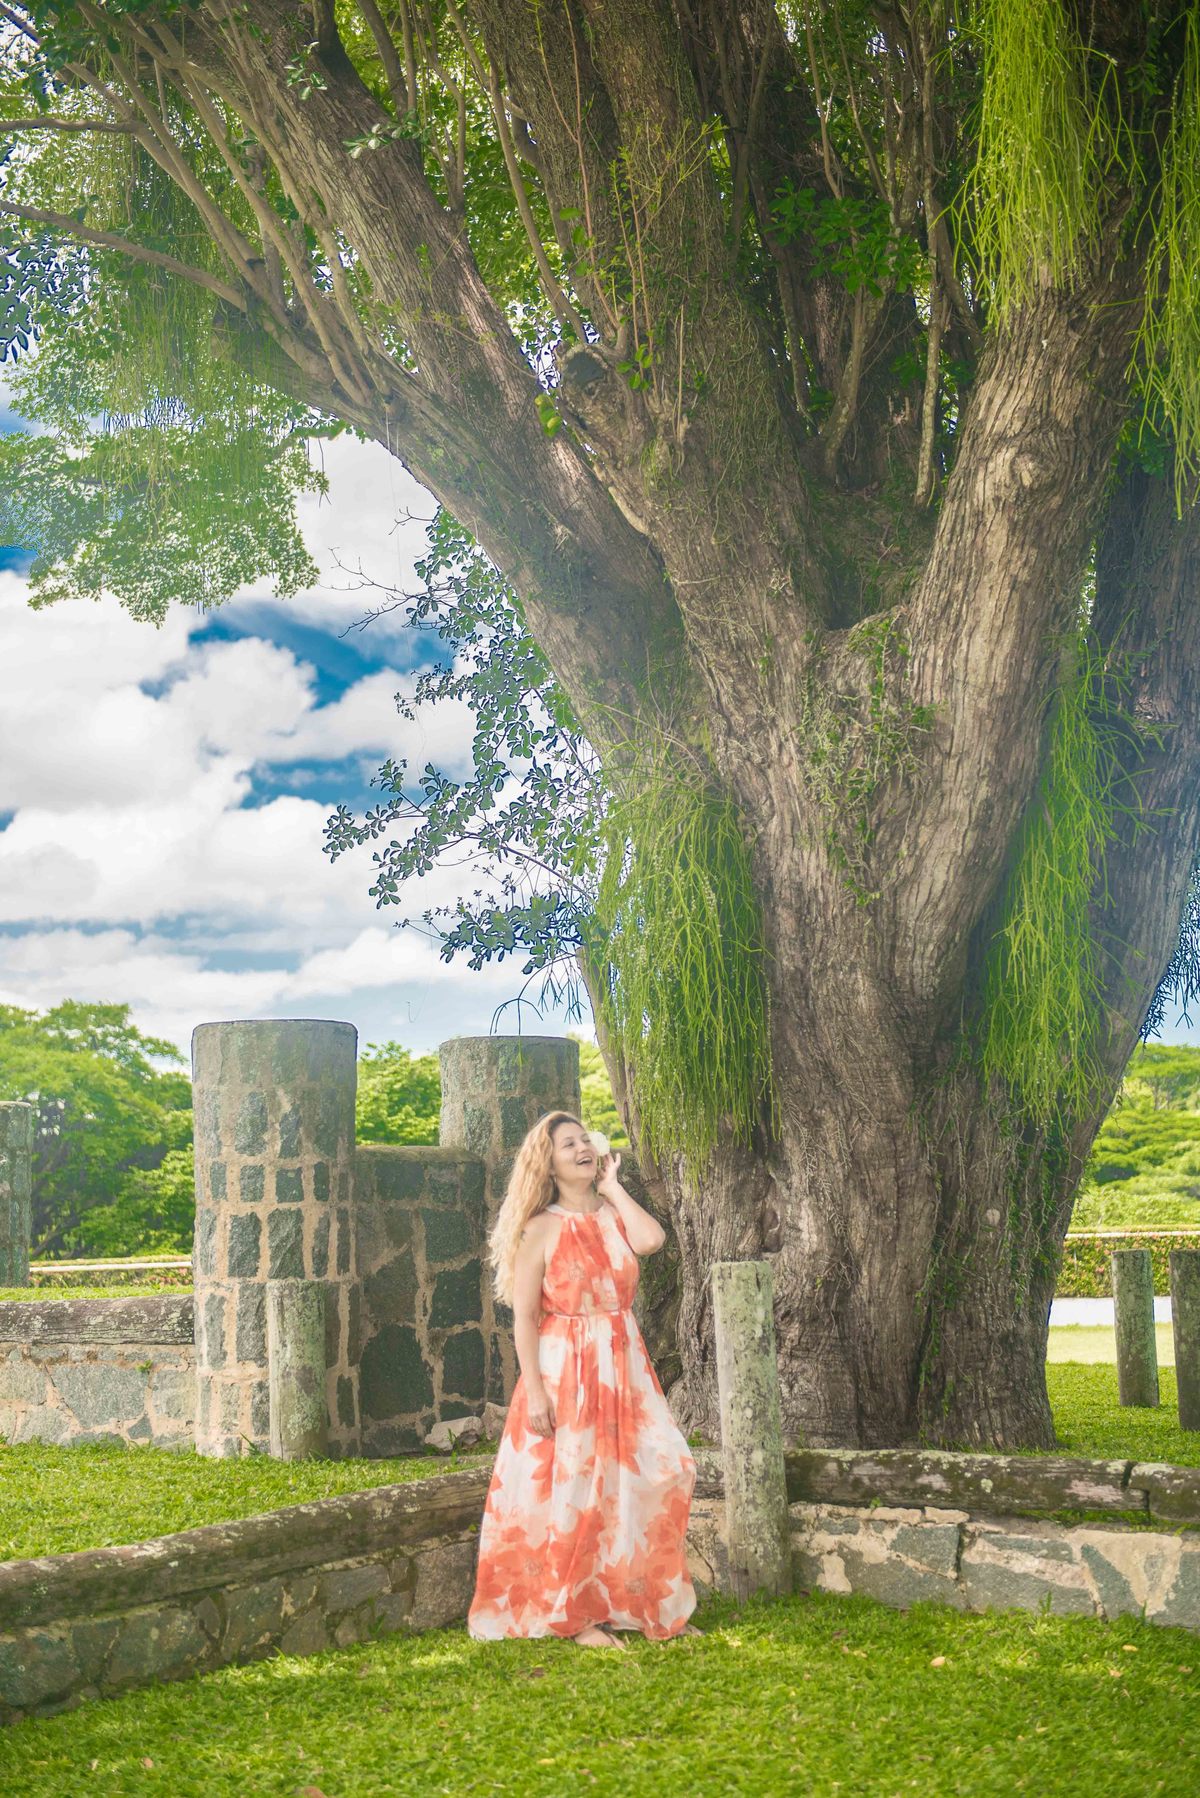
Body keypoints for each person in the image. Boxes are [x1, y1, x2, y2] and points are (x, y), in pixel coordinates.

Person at [467, 1110, 700, 1646]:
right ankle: (575, 1615)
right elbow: (525, 1317)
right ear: (547, 1164)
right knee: (576, 1489)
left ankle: (647, 1601)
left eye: (583, 1140)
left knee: (658, 1471)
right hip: (564, 1368)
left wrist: (613, 1188)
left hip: (624, 1365)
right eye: (567, 1145)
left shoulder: (613, 1214)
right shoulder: (539, 1227)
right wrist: (536, 1392)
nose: (581, 1149)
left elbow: (651, 1240)